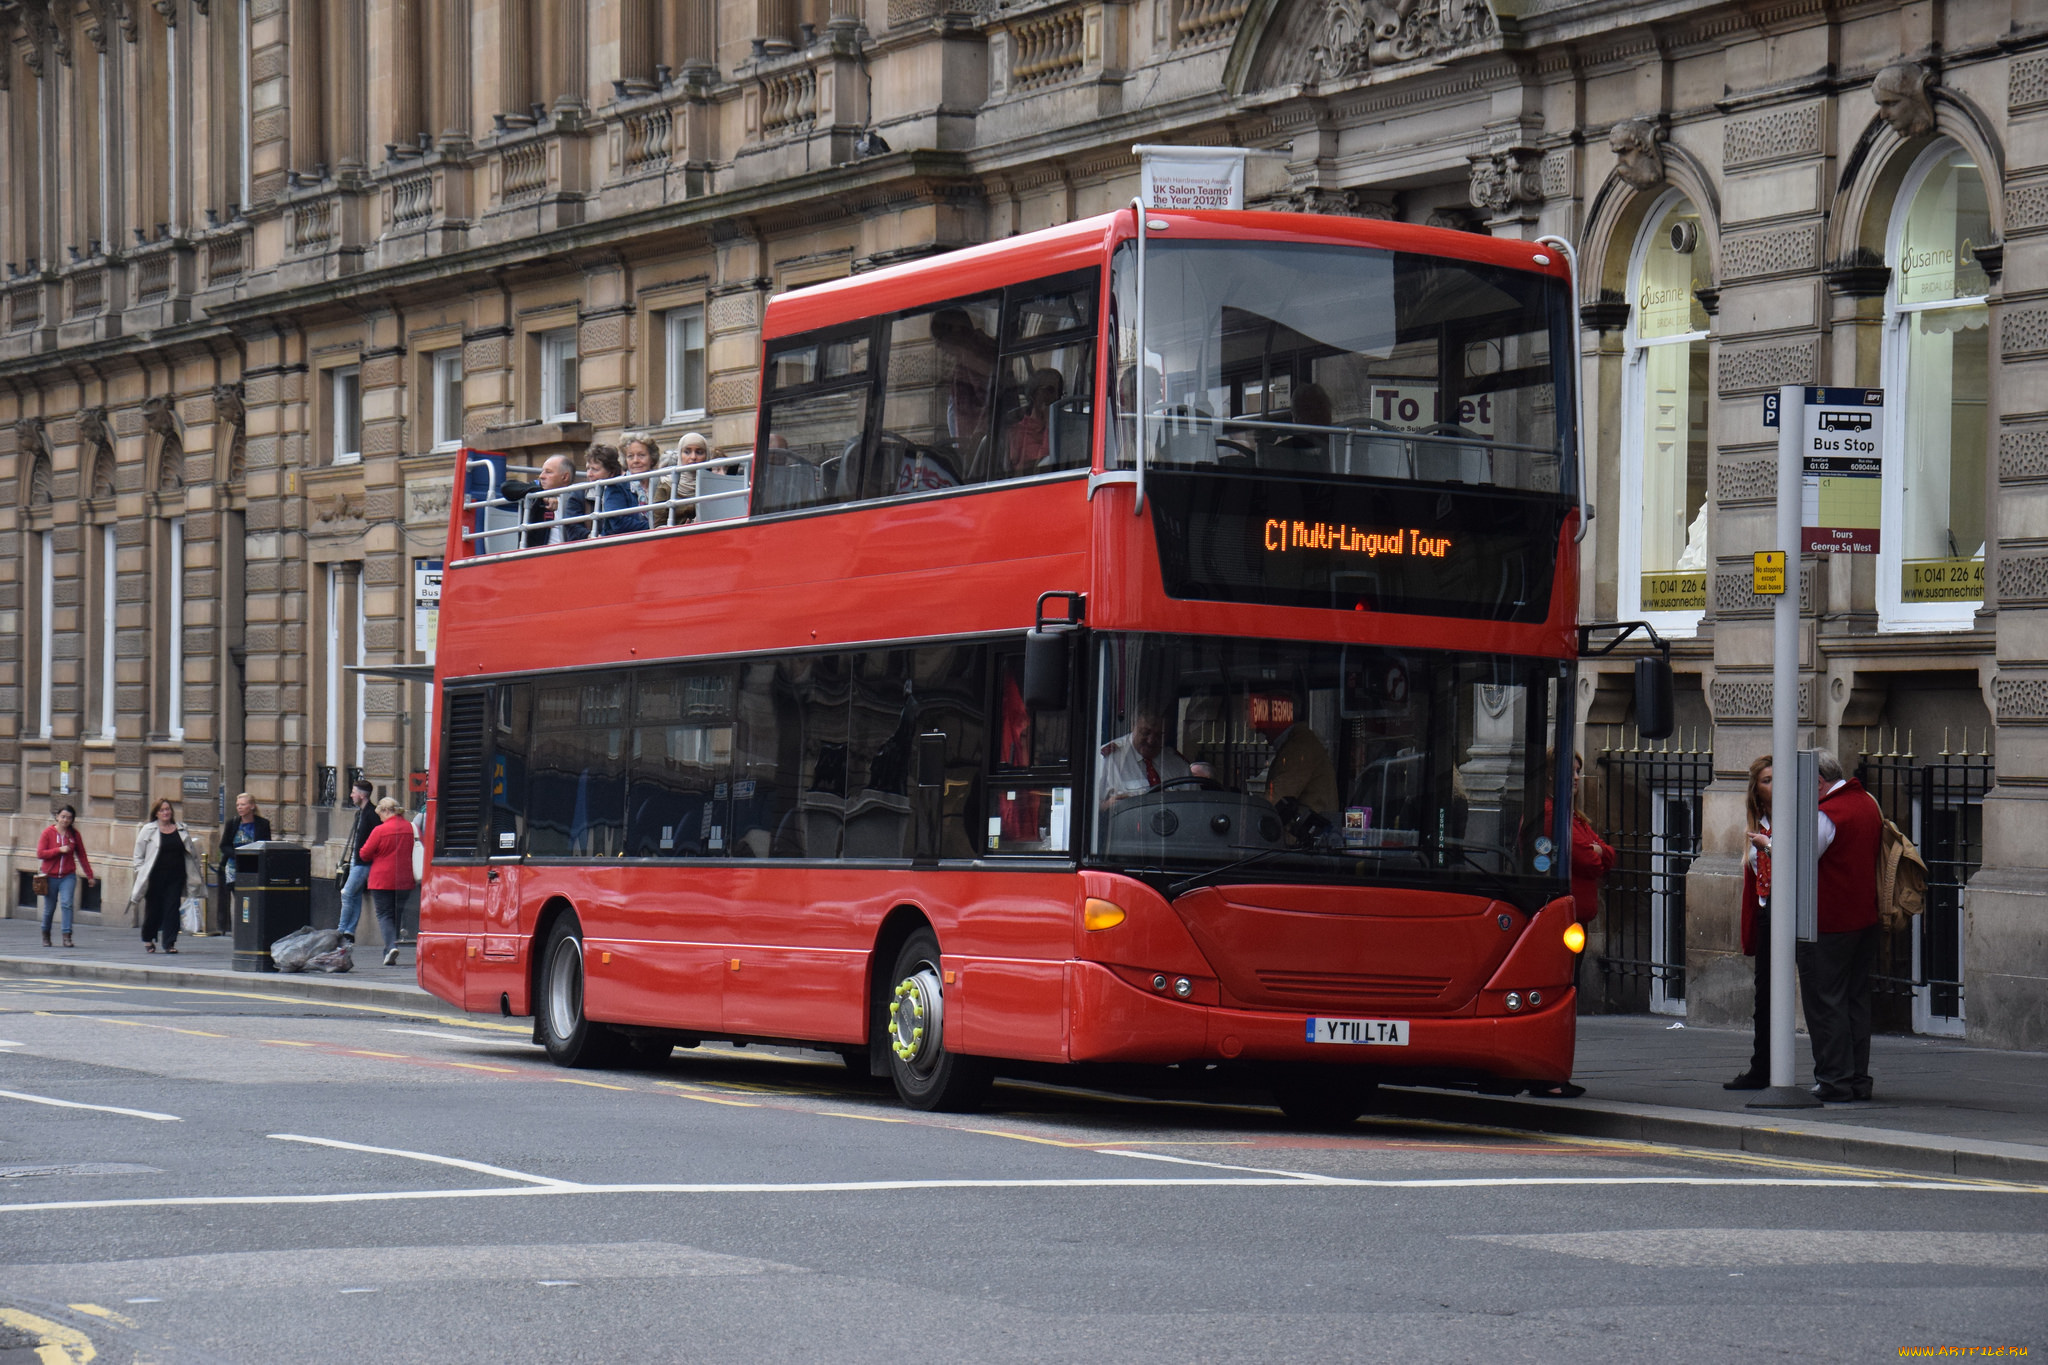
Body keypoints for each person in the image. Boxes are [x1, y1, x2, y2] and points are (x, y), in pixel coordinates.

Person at [1796, 748, 1884, 1102]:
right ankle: (1856, 1078)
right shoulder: (1866, 802)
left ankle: (1834, 1079)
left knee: (1824, 1002)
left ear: (1817, 782)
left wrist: (1767, 846)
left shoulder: (1827, 814)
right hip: (1863, 918)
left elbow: (1800, 859)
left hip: (1828, 921)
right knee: (1854, 1000)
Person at [1726, 754, 1775, 1091]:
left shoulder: (1791, 822)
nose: (1775, 787)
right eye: (1767, 781)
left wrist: (1770, 846)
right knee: (1765, 996)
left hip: (1791, 912)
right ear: (1756, 791)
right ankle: (1762, 1067)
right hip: (1766, 912)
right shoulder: (1757, 825)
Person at [128, 798, 203, 954]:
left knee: (172, 908)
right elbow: (138, 854)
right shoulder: (148, 830)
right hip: (154, 876)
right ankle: (148, 938)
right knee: (153, 910)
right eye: (162, 810)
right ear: (156, 813)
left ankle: (169, 943)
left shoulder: (181, 829)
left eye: (167, 809)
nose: (165, 812)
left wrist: (195, 872)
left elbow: (191, 853)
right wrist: (140, 871)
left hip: (176, 876)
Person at [357, 796, 418, 966]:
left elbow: (364, 853)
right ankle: (390, 946)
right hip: (404, 878)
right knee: (396, 912)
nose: (380, 818)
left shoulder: (380, 830)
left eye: (381, 815)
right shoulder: (409, 828)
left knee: (384, 914)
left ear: (386, 811)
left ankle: (390, 946)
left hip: (382, 878)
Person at [1098, 702, 1192, 809]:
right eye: (1145, 732)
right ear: (1133, 726)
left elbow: (1195, 806)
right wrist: (1106, 806)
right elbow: (1087, 807)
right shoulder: (1109, 759)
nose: (1151, 740)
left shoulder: (1178, 764)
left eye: (1159, 735)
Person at [36, 804, 96, 948]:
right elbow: (40, 853)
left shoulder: (74, 835)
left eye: (69, 818)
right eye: (63, 817)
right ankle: (46, 934)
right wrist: (58, 850)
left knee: (67, 904)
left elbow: (82, 855)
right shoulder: (47, 833)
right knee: (49, 908)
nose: (65, 820)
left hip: (67, 876)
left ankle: (66, 936)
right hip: (50, 876)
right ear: (57, 817)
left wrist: (90, 875)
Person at [215, 792, 272, 937]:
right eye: (238, 805)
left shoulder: (262, 824)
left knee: (253, 898)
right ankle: (239, 930)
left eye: (243, 804)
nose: (240, 808)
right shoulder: (232, 823)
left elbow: (266, 844)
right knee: (239, 898)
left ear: (252, 806)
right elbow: (224, 845)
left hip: (254, 867)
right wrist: (237, 855)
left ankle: (252, 929)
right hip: (235, 867)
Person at [507, 453, 584, 548]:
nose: (541, 476)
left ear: (565, 477)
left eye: (548, 472)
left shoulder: (579, 497)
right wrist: (542, 495)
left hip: (572, 554)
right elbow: (506, 488)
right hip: (539, 556)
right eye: (542, 471)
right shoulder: (535, 492)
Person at [335, 778, 378, 944]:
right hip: (356, 859)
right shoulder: (360, 813)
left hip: (363, 862)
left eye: (353, 792)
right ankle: (350, 932)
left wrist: (365, 855)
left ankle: (341, 929)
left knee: (346, 893)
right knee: (356, 895)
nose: (351, 795)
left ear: (361, 795)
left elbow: (375, 839)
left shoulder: (372, 814)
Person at [1003, 368, 1065, 475]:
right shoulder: (1018, 432)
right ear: (1034, 394)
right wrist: (1049, 423)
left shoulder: (1064, 428)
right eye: (1049, 390)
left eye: (1058, 392)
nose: (1055, 397)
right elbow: (1044, 464)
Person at [583, 443, 650, 536]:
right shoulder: (615, 487)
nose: (589, 474)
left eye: (595, 469)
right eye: (630, 456)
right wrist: (653, 526)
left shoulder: (659, 482)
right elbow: (619, 524)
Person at [652, 431, 711, 527]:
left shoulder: (714, 482)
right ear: (680, 454)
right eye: (687, 452)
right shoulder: (667, 484)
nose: (693, 457)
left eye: (699, 452)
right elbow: (658, 525)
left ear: (707, 455)